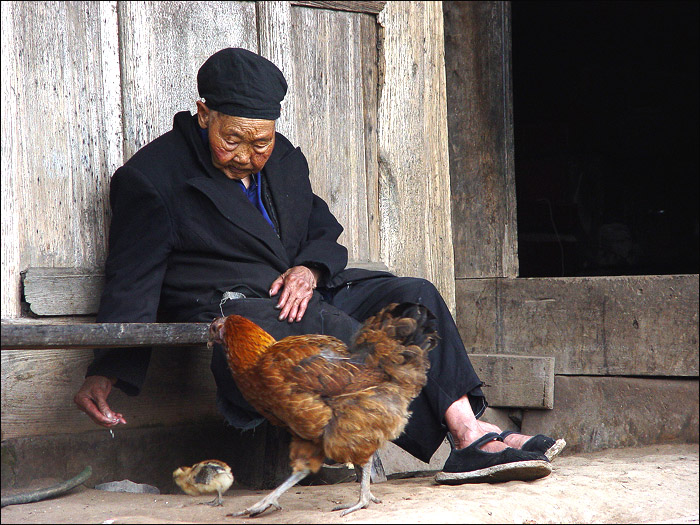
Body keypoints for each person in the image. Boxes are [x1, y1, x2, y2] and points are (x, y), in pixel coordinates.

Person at [74, 47, 563, 484]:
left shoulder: (283, 159)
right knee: (328, 326)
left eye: (260, 142)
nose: (248, 156)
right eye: (234, 140)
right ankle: (470, 436)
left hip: (308, 290)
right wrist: (108, 370)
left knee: (414, 296)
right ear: (204, 114)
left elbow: (321, 230)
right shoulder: (153, 178)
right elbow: (131, 279)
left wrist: (309, 269)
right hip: (243, 312)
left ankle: (466, 434)